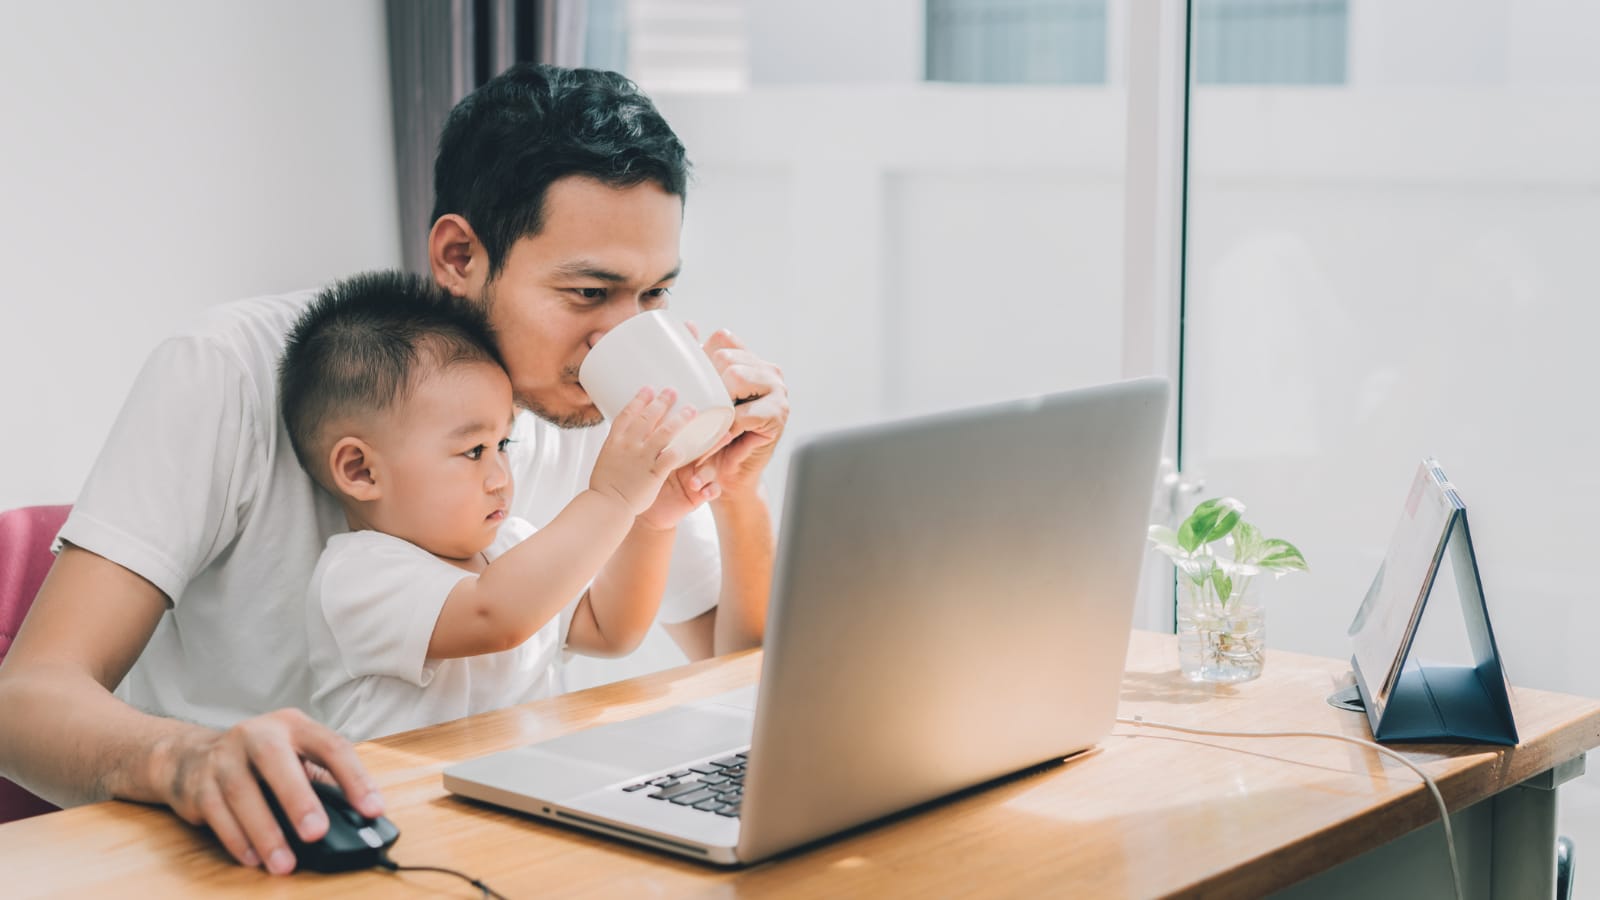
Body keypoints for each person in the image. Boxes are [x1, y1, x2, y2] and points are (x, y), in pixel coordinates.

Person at [0, 64, 786, 877]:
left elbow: (742, 675)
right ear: (457, 255)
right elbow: (24, 704)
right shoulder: (231, 367)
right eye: (589, 291)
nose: (620, 336)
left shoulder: (601, 404)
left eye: (655, 294)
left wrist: (739, 494)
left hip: (481, 843)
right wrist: (186, 760)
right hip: (239, 859)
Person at [281, 271, 714, 741]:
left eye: (503, 442)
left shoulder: (514, 545)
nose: (501, 476)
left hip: (519, 791)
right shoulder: (358, 576)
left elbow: (610, 631)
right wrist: (611, 497)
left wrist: (649, 519)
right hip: (406, 808)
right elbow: (496, 615)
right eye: (473, 451)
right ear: (362, 471)